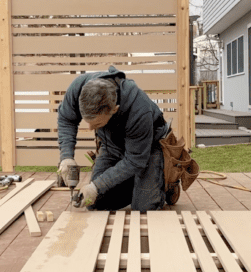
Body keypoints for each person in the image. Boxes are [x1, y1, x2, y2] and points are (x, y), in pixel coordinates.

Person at [57, 66, 170, 211]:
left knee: (144, 208)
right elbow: (66, 118)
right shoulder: (78, 87)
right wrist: (66, 156)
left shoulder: (138, 109)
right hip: (112, 145)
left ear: (114, 109)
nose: (91, 128)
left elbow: (135, 160)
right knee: (94, 202)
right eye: (88, 121)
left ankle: (162, 183)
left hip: (147, 149)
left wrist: (97, 186)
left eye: (97, 123)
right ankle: (136, 183)